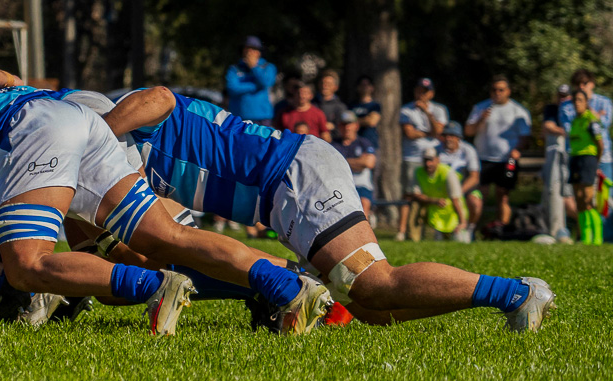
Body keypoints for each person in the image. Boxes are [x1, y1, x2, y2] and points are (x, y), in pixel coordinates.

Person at [0, 74, 327, 337]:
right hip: (70, 119)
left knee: (27, 265)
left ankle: (156, 287)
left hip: (34, 132)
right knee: (167, 237)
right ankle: (290, 287)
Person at [104, 90, 553, 331]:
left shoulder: (117, 124)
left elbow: (160, 95)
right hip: (283, 192)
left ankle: (518, 293)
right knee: (372, 309)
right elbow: (166, 238)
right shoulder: (120, 162)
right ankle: (508, 298)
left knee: (374, 284)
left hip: (293, 172)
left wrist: (98, 133)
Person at [463, 76, 530, 230]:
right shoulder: (481, 108)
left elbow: (525, 137)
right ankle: (471, 230)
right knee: (480, 195)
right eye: (494, 90)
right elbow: (468, 131)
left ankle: (502, 230)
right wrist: (480, 120)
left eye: (501, 90)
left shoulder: (518, 111)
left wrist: (517, 150)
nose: (497, 93)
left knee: (503, 195)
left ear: (508, 91)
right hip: (483, 158)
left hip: (507, 161)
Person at [395, 79, 449, 241]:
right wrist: (430, 133)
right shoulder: (406, 110)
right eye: (419, 90)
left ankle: (433, 231)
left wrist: (427, 113)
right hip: (411, 157)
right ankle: (402, 231)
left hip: (434, 157)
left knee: (431, 194)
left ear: (431, 93)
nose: (422, 94)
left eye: (425, 91)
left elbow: (439, 130)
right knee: (409, 195)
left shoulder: (439, 109)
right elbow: (410, 134)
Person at [567, 85, 606, 245]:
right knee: (579, 199)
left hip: (588, 158)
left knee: (588, 199)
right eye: (575, 100)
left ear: (586, 102)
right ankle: (585, 236)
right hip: (575, 158)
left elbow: (600, 144)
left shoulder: (591, 120)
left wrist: (595, 162)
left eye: (580, 100)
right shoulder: (575, 120)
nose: (577, 103)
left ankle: (596, 237)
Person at [540, 83, 579, 241]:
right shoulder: (551, 109)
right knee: (555, 194)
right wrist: (568, 132)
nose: (563, 99)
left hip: (572, 157)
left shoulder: (577, 109)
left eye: (566, 96)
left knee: (571, 199)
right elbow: (548, 126)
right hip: (555, 158)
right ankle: (558, 230)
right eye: (561, 96)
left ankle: (581, 228)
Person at [409, 149, 469, 242]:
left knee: (456, 240)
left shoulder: (448, 173)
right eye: (426, 160)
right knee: (415, 204)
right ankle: (413, 239)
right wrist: (434, 201)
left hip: (450, 212)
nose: (428, 163)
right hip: (432, 209)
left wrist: (462, 222)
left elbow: (456, 200)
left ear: (438, 160)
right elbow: (416, 194)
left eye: (431, 160)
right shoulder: (418, 172)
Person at [437, 122, 482, 236]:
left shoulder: (468, 150)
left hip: (464, 188)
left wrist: (458, 192)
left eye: (452, 136)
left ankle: (469, 229)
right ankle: (440, 232)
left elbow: (474, 177)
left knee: (475, 203)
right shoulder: (437, 150)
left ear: (459, 138)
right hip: (441, 189)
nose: (448, 139)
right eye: (446, 135)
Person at [222, 36, 276, 124]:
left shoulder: (267, 67)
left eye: (254, 49)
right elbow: (232, 88)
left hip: (262, 118)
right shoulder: (234, 68)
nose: (250, 52)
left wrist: (254, 67)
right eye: (247, 49)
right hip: (239, 117)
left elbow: (267, 82)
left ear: (259, 52)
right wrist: (256, 86)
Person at [333, 111, 376, 219]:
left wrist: (343, 161)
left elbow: (369, 163)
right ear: (339, 126)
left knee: (363, 204)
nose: (347, 128)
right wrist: (359, 162)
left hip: (361, 184)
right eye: (343, 124)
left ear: (356, 126)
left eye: (350, 124)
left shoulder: (364, 143)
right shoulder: (334, 145)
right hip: (340, 184)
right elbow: (332, 165)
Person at [353, 76, 381, 143]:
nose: (364, 87)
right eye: (362, 85)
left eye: (367, 85)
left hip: (370, 141)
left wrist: (354, 121)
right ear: (358, 87)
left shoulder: (375, 105)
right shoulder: (351, 105)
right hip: (354, 143)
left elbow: (372, 122)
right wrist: (365, 119)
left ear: (372, 87)